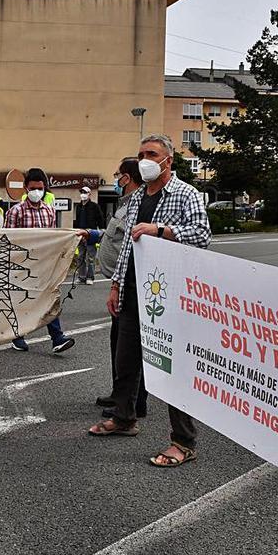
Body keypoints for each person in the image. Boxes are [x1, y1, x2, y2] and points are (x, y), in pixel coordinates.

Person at [93, 134, 210, 468]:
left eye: (152, 154)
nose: (144, 159)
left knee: (172, 367)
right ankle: (125, 417)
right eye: (141, 153)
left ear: (167, 161)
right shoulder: (137, 197)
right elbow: (127, 247)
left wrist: (162, 230)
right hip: (133, 293)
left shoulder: (185, 193)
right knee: (125, 360)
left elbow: (202, 235)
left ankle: (183, 440)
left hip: (168, 296)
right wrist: (115, 285)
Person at [80, 158, 148, 420]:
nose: (117, 179)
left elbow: (130, 246)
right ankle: (120, 393)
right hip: (118, 282)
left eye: (119, 175)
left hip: (132, 284)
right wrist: (92, 234)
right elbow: (113, 236)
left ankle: (135, 401)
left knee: (130, 346)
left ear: (128, 178)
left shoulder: (139, 205)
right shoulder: (125, 205)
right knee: (118, 343)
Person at [5, 168, 76, 355]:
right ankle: (18, 335)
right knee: (22, 299)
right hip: (23, 264)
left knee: (50, 297)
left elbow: (51, 236)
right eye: (33, 188)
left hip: (45, 263)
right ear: (26, 188)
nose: (37, 192)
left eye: (40, 188)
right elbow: (8, 238)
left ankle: (57, 337)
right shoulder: (15, 211)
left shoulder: (49, 210)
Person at [73, 186, 103, 284]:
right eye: (81, 192)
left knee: (90, 257)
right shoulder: (78, 206)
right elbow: (76, 220)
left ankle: (90, 277)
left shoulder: (95, 206)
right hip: (80, 234)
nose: (83, 195)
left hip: (91, 234)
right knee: (80, 256)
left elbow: (100, 219)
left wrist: (100, 232)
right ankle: (81, 277)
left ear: (89, 194)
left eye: (85, 193)